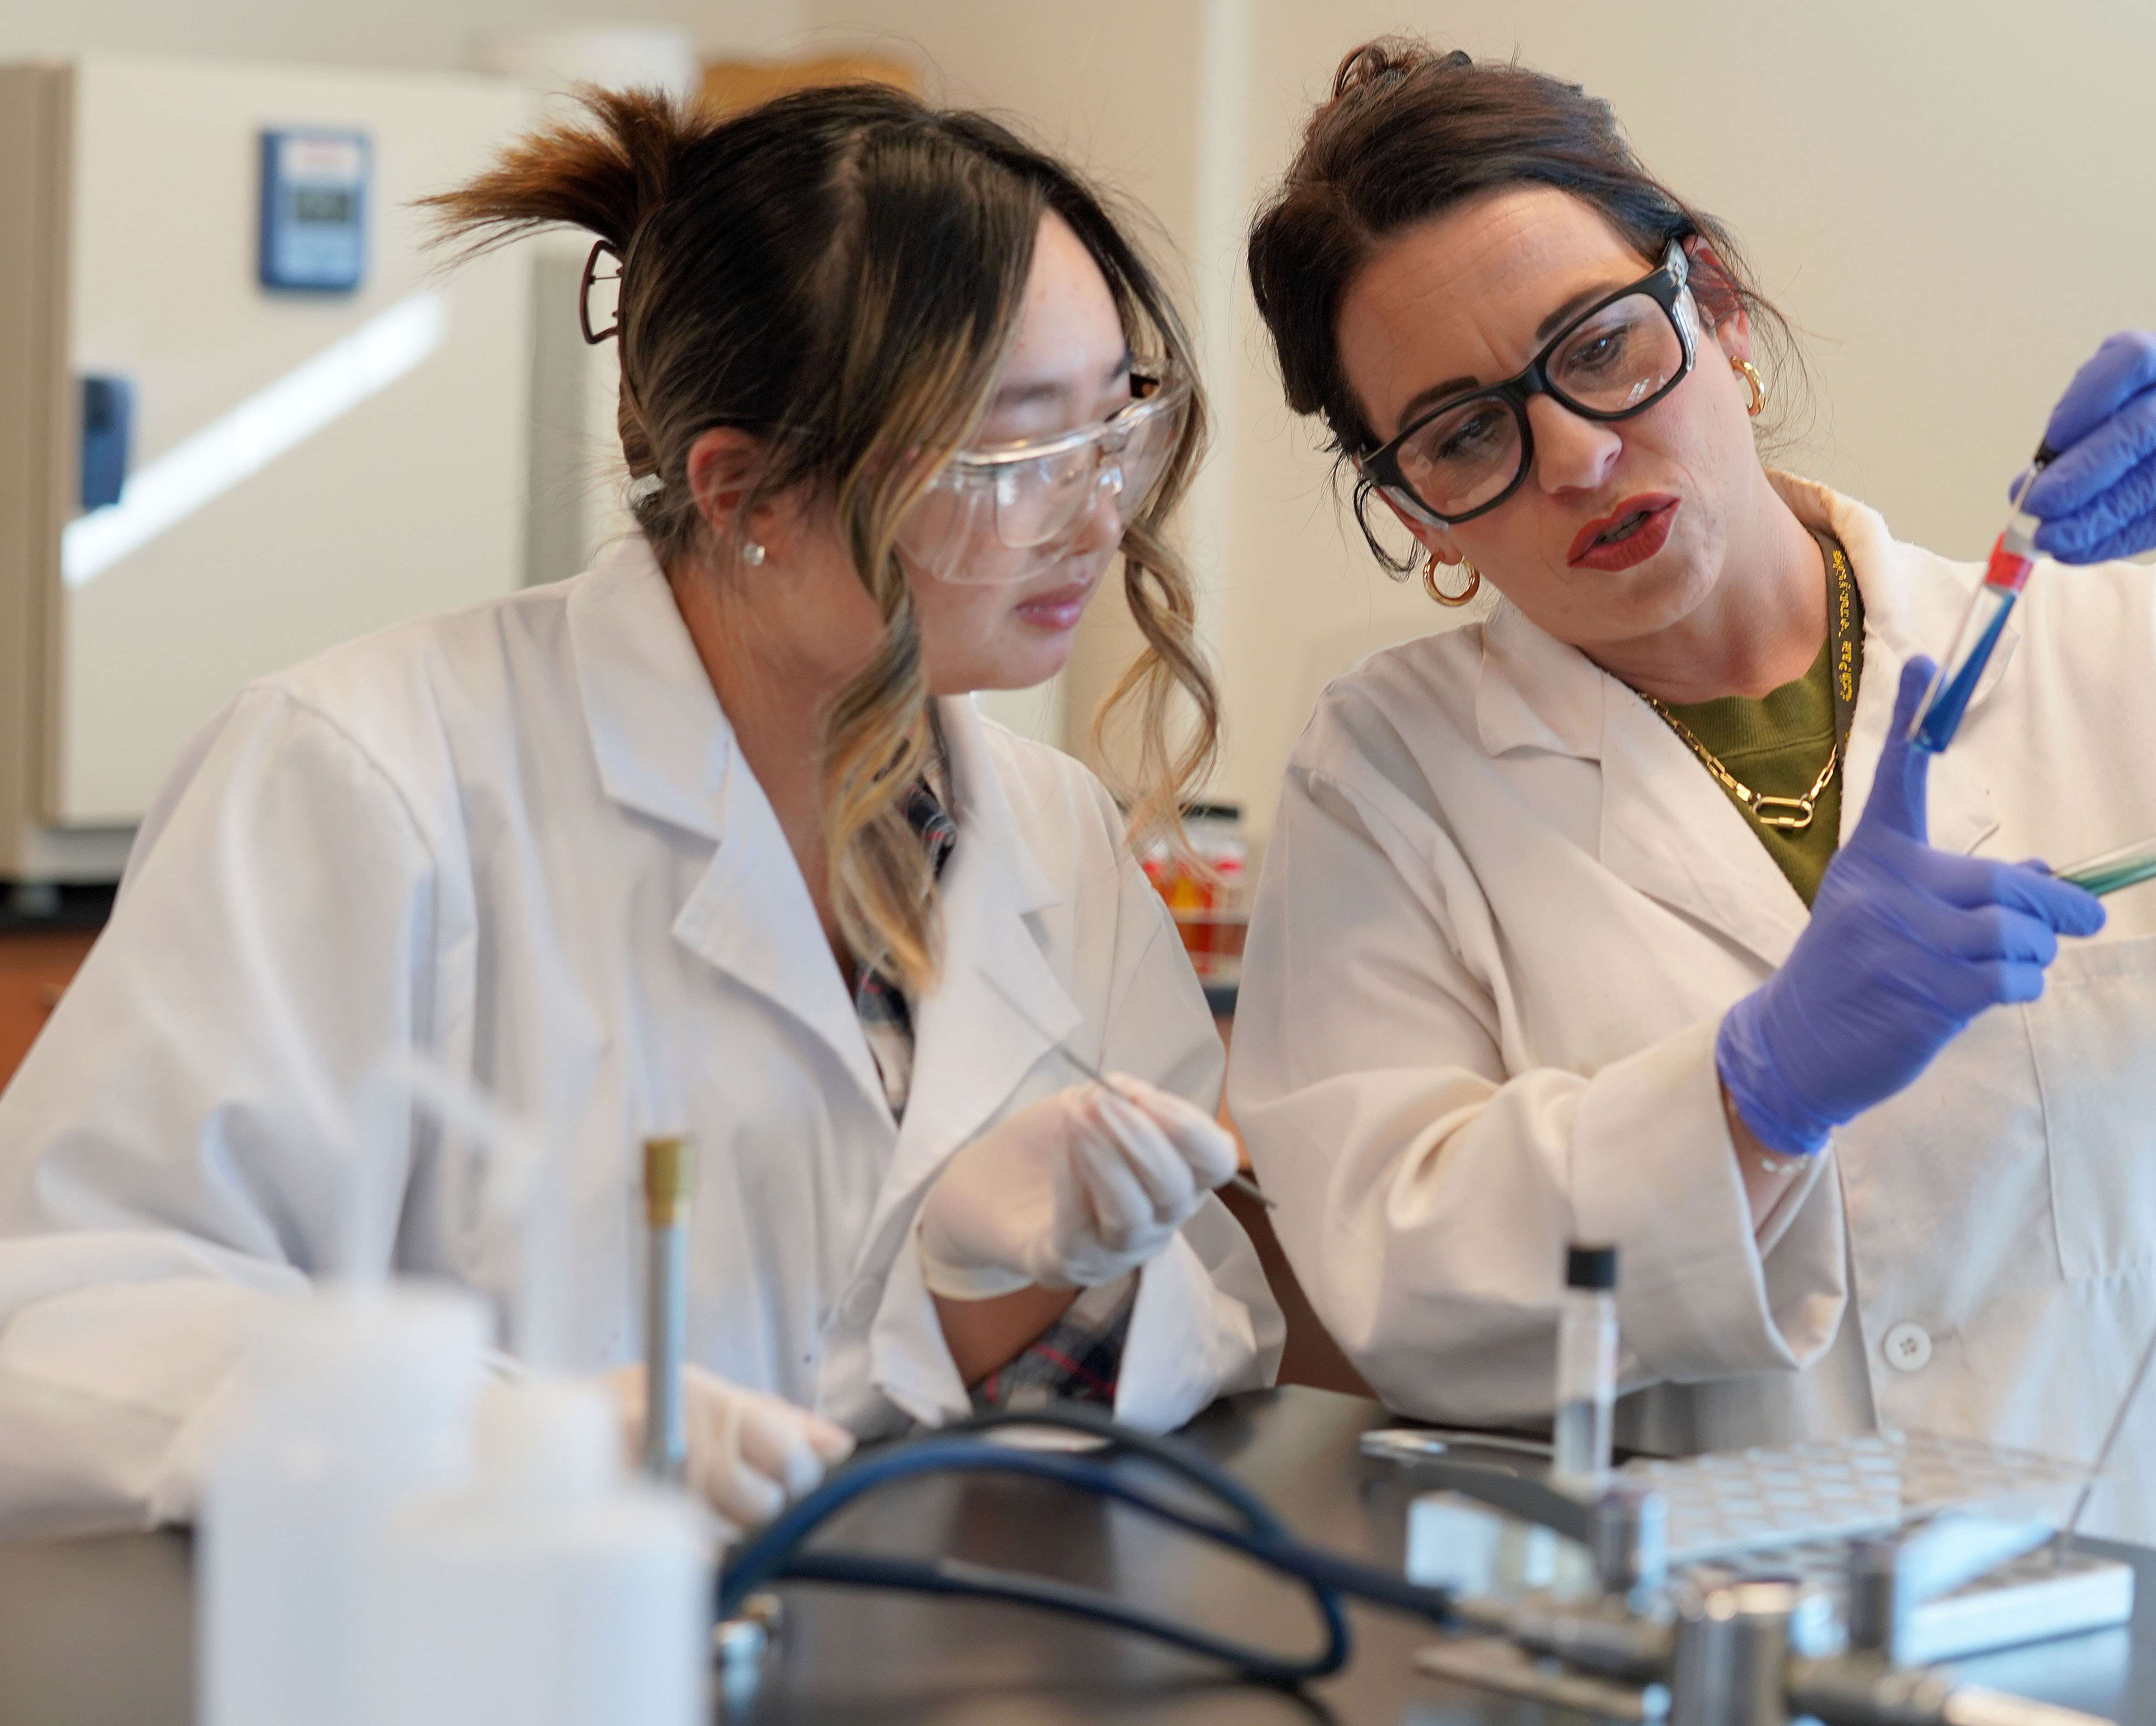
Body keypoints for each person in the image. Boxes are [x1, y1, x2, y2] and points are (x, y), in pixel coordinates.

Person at [1226, 39, 2156, 1571]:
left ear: (1718, 309)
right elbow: (1399, 1291)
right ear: (1416, 512)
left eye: (1601, 347)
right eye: (1465, 433)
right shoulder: (1389, 777)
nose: (1578, 454)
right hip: (1722, 1644)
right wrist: (1752, 1093)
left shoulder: (2111, 652)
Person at [0, 84, 1280, 1537]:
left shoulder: (1051, 833)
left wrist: (988, 1290)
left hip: (913, 1633)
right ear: (745, 492)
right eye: (1019, 457)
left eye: (1114, 425)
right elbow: (64, 1321)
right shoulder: (359, 775)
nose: (1102, 518)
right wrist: (483, 1438)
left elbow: (1213, 1324)